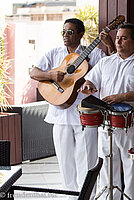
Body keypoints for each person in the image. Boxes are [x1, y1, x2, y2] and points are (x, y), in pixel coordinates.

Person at [29, 18, 115, 200]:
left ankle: (87, 197)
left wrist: (109, 45)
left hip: (85, 115)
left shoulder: (95, 54)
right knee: (65, 161)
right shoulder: (54, 53)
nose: (65, 36)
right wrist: (51, 74)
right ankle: (70, 195)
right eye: (63, 32)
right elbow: (34, 72)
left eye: (70, 32)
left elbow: (112, 67)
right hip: (59, 114)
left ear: (81, 34)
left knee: (87, 160)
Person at [78, 23, 134, 200]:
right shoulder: (105, 62)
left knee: (133, 172)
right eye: (118, 37)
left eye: (124, 38)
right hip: (106, 125)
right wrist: (88, 85)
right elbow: (90, 81)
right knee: (106, 168)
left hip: (133, 127)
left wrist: (121, 97)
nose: (119, 41)